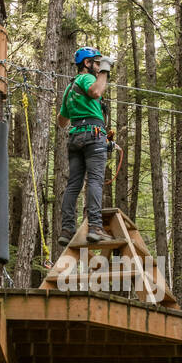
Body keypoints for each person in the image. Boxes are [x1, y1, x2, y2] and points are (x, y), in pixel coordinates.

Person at [57, 47, 114, 246]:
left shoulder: (69, 88)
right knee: (95, 181)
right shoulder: (87, 79)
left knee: (74, 184)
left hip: (75, 137)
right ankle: (95, 227)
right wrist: (106, 71)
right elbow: (96, 91)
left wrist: (78, 108)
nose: (99, 68)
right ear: (87, 64)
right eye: (96, 63)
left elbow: (62, 121)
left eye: (100, 64)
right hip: (93, 135)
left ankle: (67, 228)